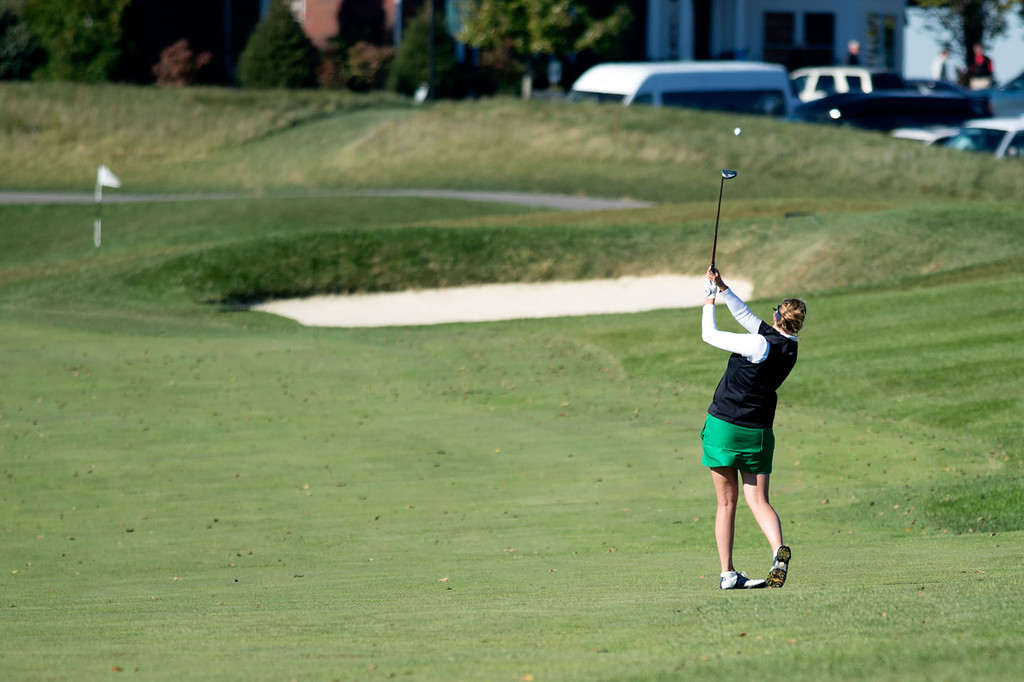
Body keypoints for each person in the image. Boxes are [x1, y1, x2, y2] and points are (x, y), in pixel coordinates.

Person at [699, 267, 806, 590]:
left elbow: (709, 335)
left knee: (726, 503)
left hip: (725, 427)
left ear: (776, 315)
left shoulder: (759, 345)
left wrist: (708, 300)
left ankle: (728, 573)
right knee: (758, 500)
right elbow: (747, 317)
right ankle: (777, 551)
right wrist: (722, 288)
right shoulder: (790, 346)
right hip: (759, 431)